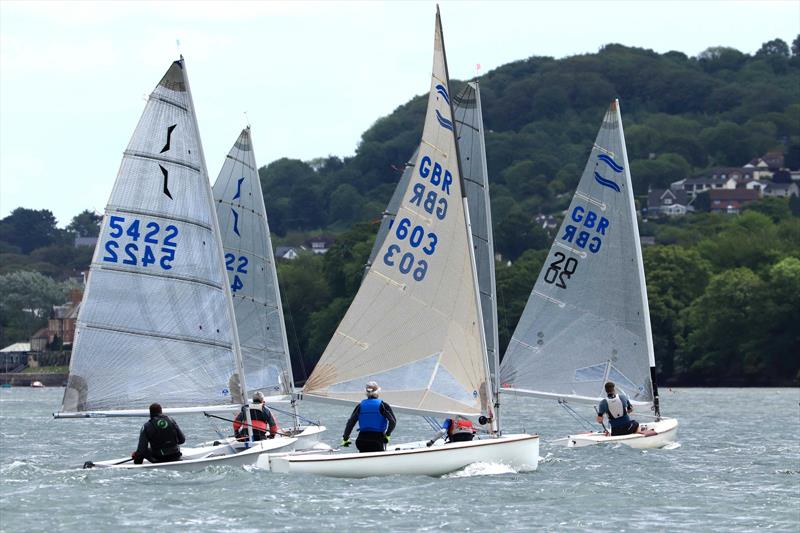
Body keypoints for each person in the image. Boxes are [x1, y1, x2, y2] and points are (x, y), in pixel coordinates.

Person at [341, 381, 396, 453]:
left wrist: (345, 438)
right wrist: (387, 434)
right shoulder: (383, 405)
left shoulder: (360, 406)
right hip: (377, 441)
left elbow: (350, 423)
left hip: (361, 440)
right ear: (378, 392)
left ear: (366, 393)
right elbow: (393, 422)